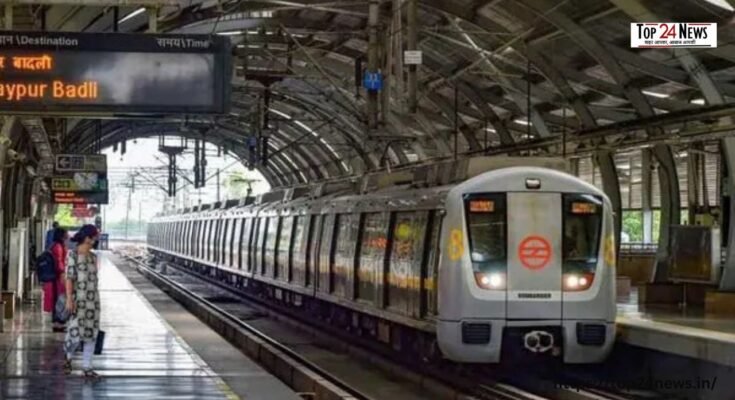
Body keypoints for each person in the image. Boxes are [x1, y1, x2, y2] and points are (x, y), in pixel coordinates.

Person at [63, 224, 101, 378]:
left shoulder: (93, 257)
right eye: (94, 236)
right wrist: (69, 299)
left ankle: (87, 367)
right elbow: (69, 279)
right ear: (87, 238)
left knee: (91, 334)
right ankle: (68, 358)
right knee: (75, 332)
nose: (96, 239)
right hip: (79, 301)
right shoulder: (72, 255)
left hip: (93, 302)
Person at [42, 227, 68, 332]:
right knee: (59, 300)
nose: (68, 235)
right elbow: (59, 262)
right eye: (66, 233)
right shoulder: (58, 247)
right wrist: (62, 273)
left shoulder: (56, 245)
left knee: (58, 299)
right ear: (62, 235)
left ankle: (58, 323)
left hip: (56, 277)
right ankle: (58, 323)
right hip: (57, 278)